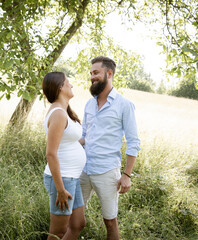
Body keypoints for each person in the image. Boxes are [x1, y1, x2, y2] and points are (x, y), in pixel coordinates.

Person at [79, 56, 141, 240]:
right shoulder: (89, 104)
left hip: (107, 171)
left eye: (96, 72)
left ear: (109, 73)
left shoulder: (124, 105)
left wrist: (127, 175)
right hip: (83, 170)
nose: (92, 76)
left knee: (110, 221)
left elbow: (133, 141)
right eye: (91, 73)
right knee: (74, 217)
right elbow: (84, 137)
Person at [42, 72, 86, 240]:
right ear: (60, 87)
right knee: (58, 232)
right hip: (63, 180)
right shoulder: (59, 114)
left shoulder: (64, 112)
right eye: (69, 82)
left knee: (78, 224)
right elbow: (51, 153)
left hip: (72, 178)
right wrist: (60, 189)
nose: (71, 85)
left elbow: (68, 142)